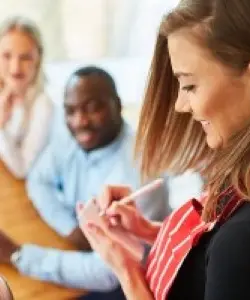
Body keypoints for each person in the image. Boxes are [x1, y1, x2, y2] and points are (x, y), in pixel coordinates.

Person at [79, 1, 250, 299]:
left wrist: (127, 272)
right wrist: (151, 232)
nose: (181, 105)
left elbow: (241, 263)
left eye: (190, 86)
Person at [0, 66, 170, 299]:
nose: (80, 121)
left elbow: (106, 271)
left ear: (117, 105)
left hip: (128, 284)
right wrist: (70, 227)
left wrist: (18, 255)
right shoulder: (72, 137)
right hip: (83, 254)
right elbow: (38, 180)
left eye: (92, 108)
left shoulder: (140, 172)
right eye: (70, 111)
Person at [0, 16, 53, 178]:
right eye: (7, 56)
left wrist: (1, 126)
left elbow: (22, 169)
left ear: (38, 60)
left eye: (25, 58)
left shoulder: (43, 106)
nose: (15, 68)